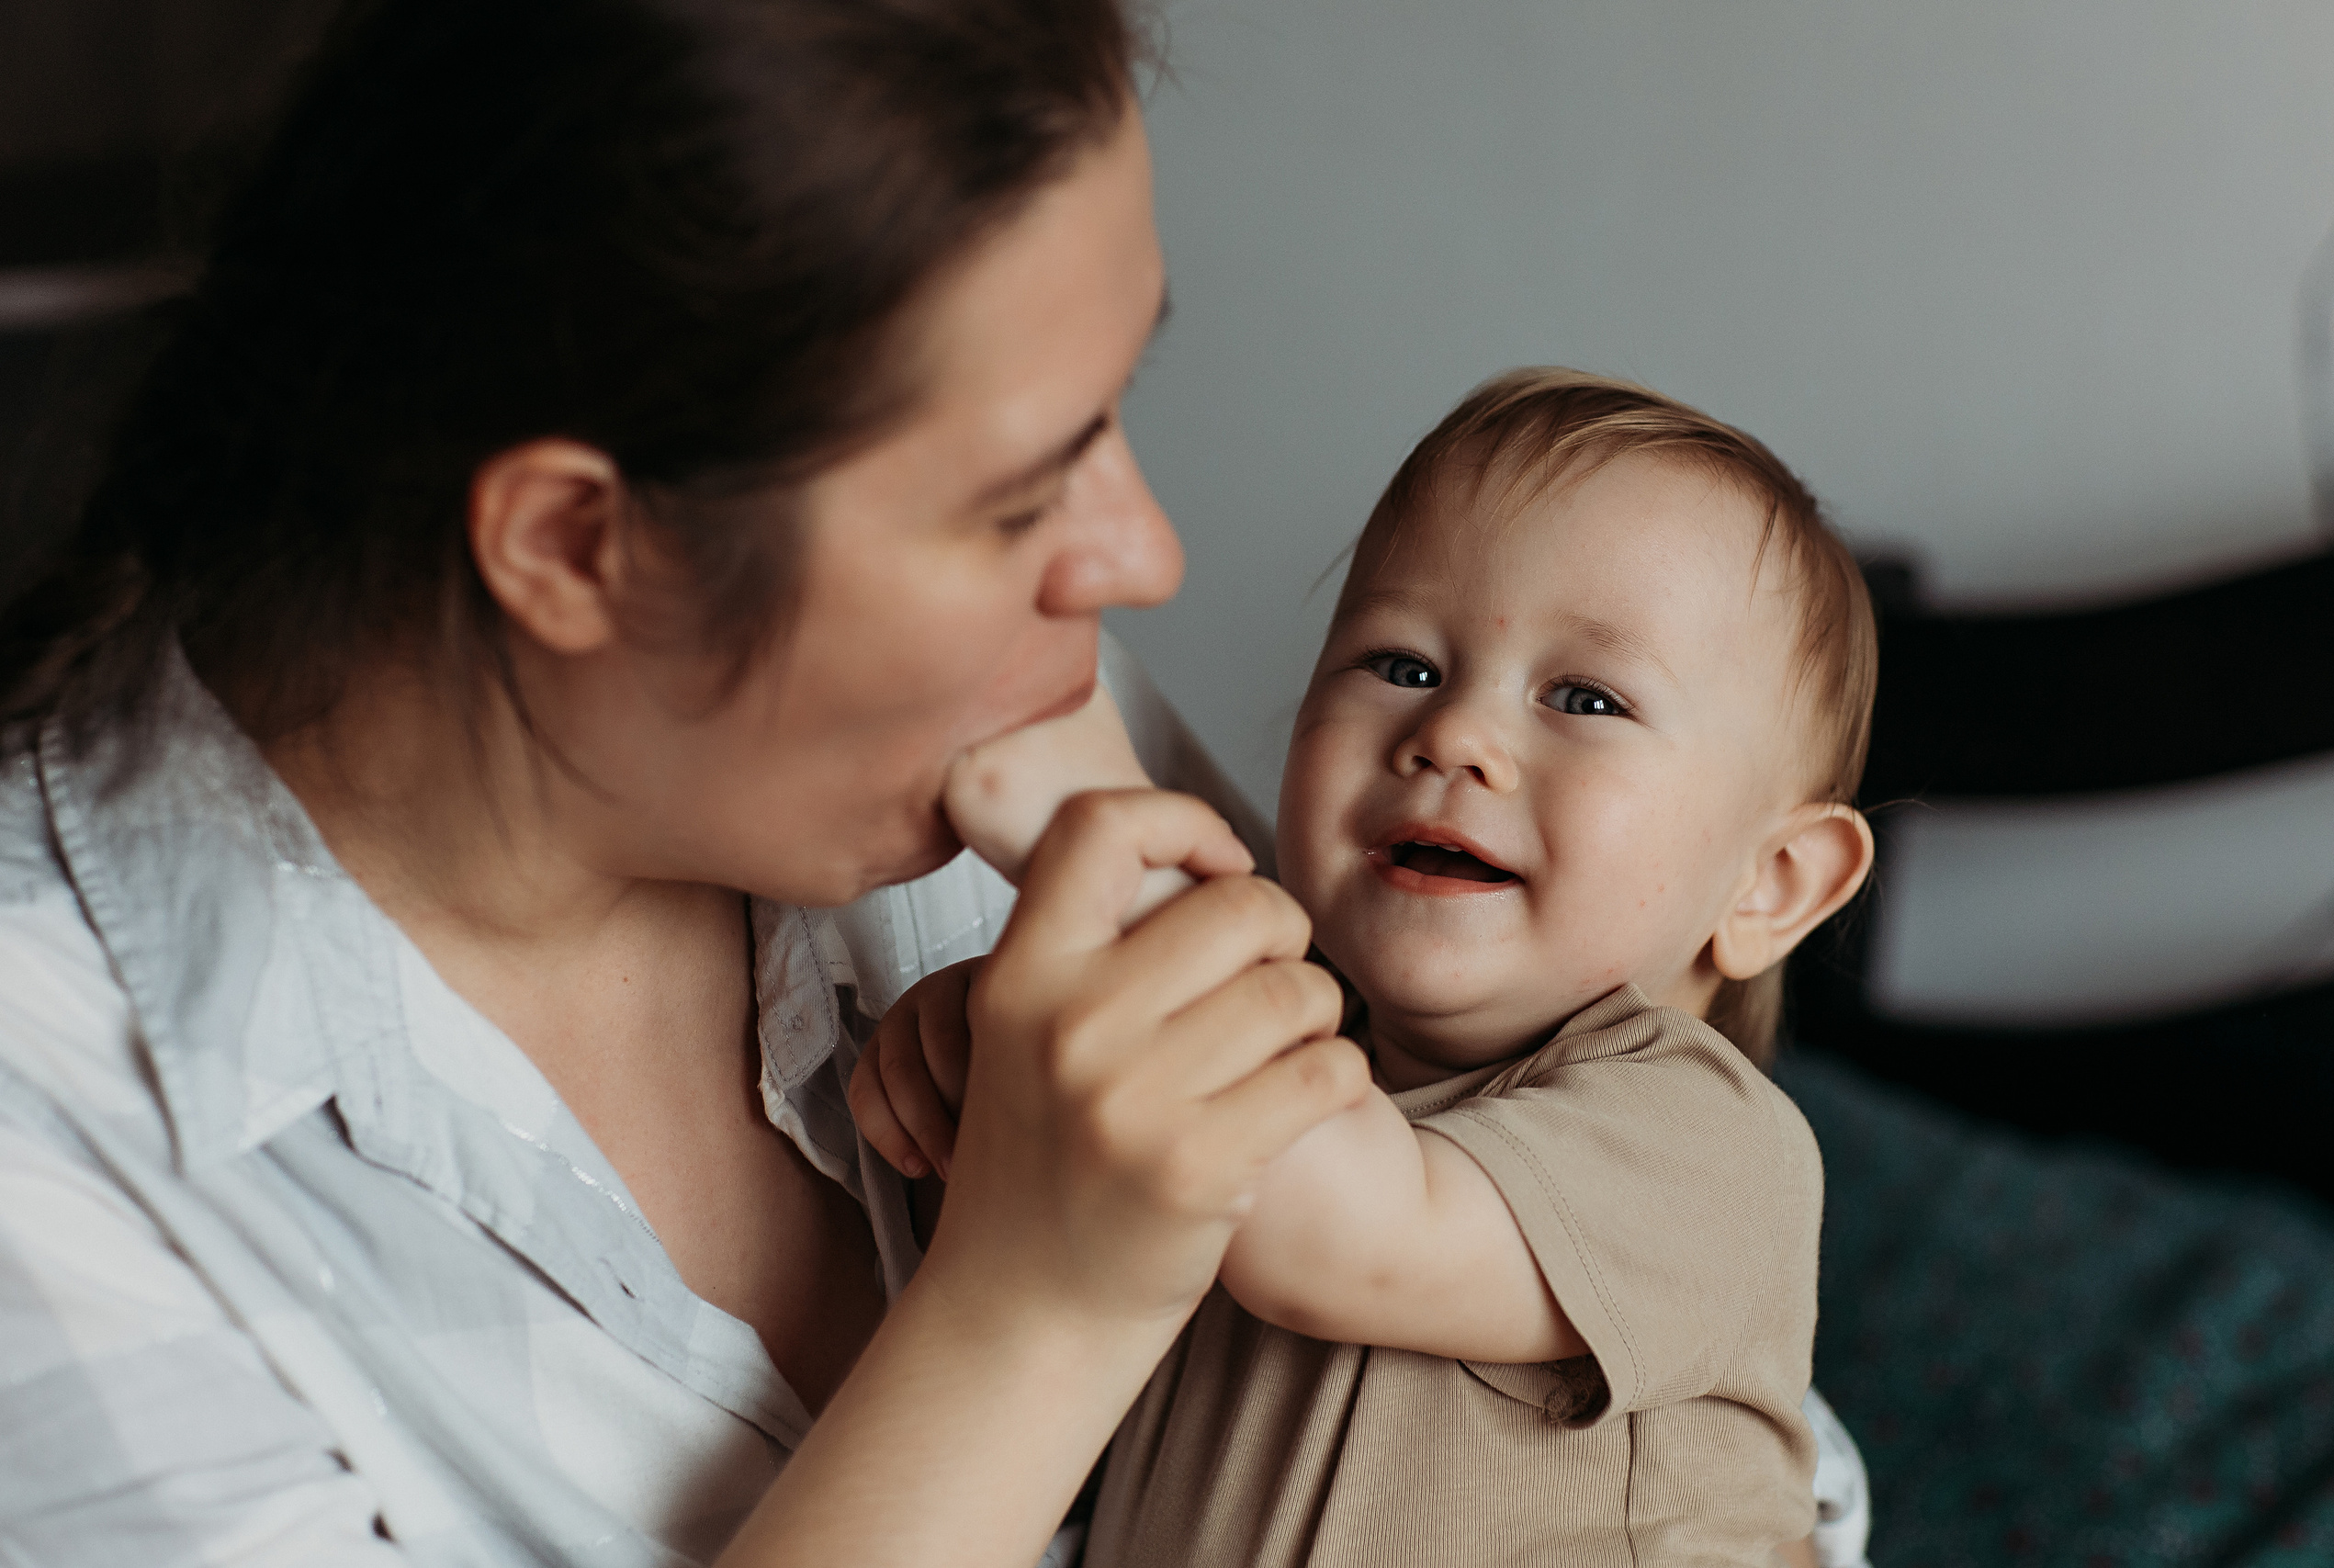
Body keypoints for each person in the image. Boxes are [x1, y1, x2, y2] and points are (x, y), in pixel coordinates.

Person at [0, 3, 1372, 1564]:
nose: (1142, 557)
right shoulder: (48, 1162)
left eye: (1112, 407)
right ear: (580, 548)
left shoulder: (1011, 724)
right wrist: (1035, 1314)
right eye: (1014, 501)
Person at [853, 369, 1879, 1564]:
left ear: (1773, 884)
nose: (1454, 735)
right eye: (1403, 665)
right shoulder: (1301, 1036)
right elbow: (1047, 1333)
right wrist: (993, 1078)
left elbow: (1331, 1229)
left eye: (1587, 697)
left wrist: (1112, 851)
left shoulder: (1710, 1147)